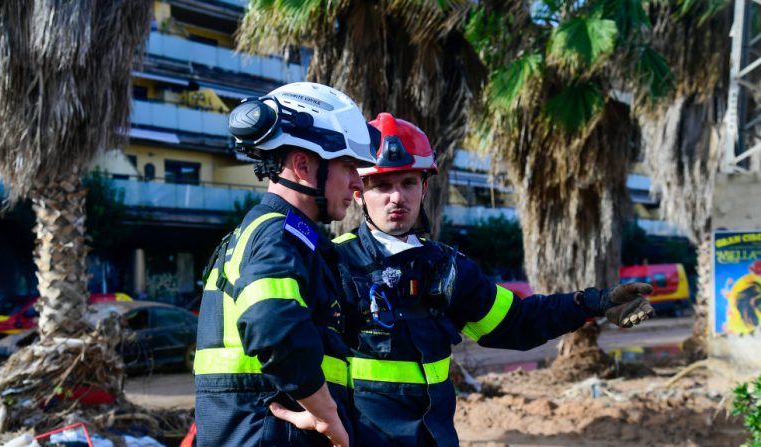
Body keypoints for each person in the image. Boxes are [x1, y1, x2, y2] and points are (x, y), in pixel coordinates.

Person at [327, 113, 654, 446]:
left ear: (424, 187)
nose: (397, 197)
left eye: (408, 183)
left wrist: (594, 303)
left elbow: (517, 322)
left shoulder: (448, 269)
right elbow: (291, 355)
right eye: (383, 185)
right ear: (358, 192)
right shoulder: (333, 263)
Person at [193, 82, 377, 447]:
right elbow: (273, 325)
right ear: (304, 165)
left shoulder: (266, 233)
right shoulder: (279, 235)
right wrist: (328, 418)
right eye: (348, 166)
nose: (358, 183)